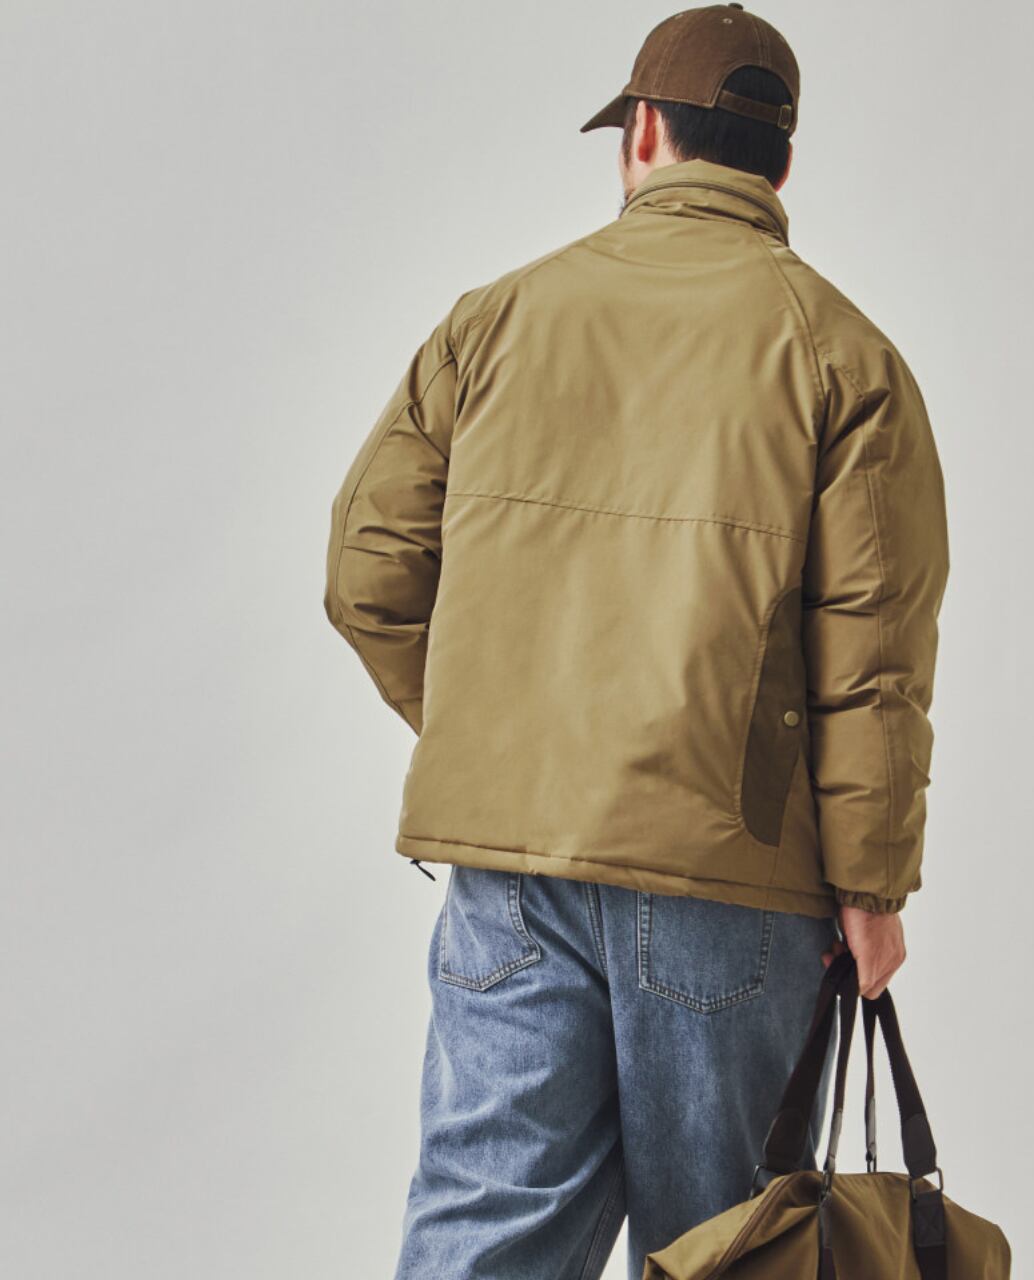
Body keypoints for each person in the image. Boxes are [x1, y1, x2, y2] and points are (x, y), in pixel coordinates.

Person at [323, 5, 948, 1275]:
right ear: (778, 163)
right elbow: (871, 655)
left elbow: (367, 574)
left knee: (484, 1226)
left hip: (512, 867)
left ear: (644, 133)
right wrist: (870, 884)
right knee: (726, 1242)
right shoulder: (844, 357)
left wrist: (502, 738)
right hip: (731, 881)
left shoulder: (491, 320)